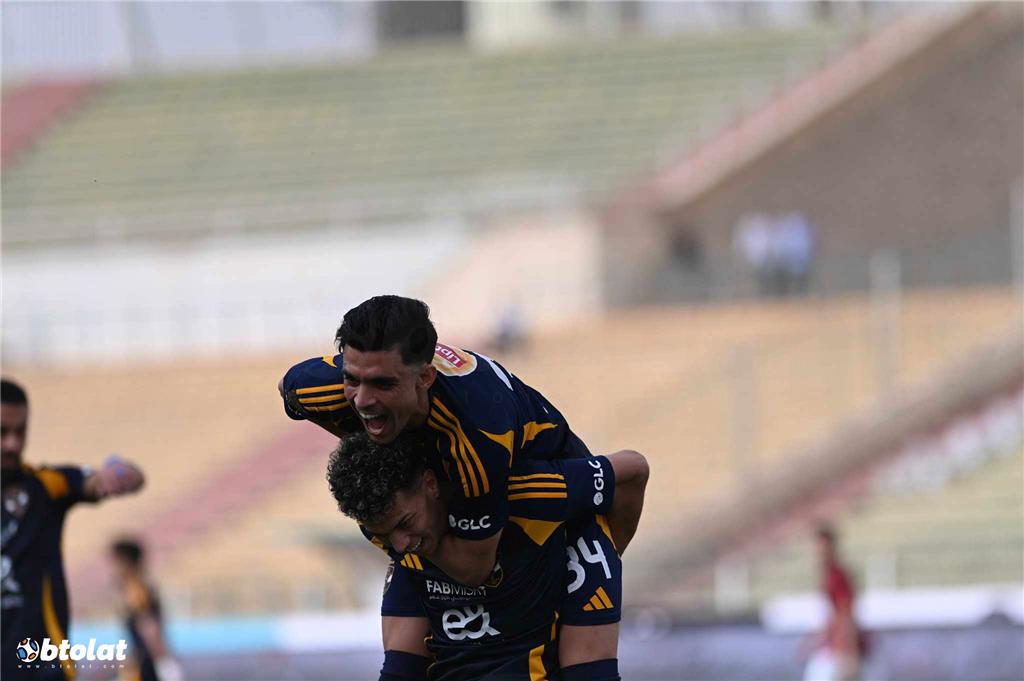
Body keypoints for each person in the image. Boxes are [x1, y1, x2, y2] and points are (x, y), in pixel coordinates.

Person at [280, 295, 649, 680]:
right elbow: (296, 387)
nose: (363, 400)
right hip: (448, 523)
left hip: (539, 522)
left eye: (382, 383)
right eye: (351, 379)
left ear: (425, 377)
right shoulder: (321, 397)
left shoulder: (493, 453)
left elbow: (475, 567)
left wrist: (604, 556)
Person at [327, 431, 644, 681]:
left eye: (405, 523)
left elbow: (633, 470)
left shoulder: (529, 497)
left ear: (431, 484)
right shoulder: (403, 542)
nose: (398, 544)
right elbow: (401, 670)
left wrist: (609, 552)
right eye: (382, 534)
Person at [2, 378, 146, 681]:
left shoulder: (46, 486)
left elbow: (110, 478)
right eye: (2, 432)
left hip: (41, 667)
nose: (13, 444)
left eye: (20, 431)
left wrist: (118, 473)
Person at [109, 538, 182, 681]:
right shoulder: (138, 586)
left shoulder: (135, 589)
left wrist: (163, 661)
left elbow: (148, 626)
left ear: (127, 562)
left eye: (116, 562)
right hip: (143, 660)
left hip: (146, 664)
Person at [801, 525, 868, 681]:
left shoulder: (837, 576)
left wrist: (848, 651)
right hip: (831, 648)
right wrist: (812, 642)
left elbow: (845, 614)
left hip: (839, 650)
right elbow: (829, 618)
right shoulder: (827, 575)